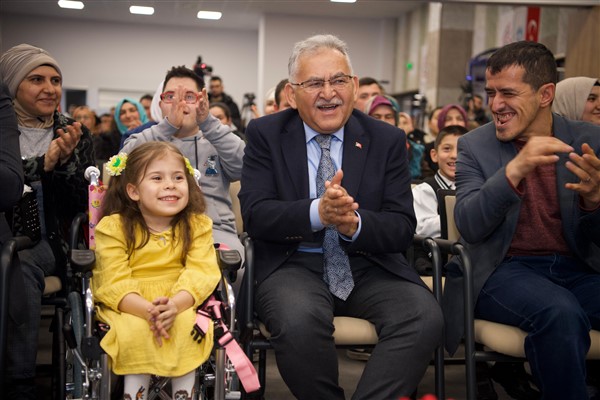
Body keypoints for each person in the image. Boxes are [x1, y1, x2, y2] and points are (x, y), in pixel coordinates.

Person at [239, 33, 443, 399]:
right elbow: (256, 214)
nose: (328, 93)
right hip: (292, 265)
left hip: (368, 265)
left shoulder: (387, 140)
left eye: (338, 81)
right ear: (291, 93)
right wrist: (319, 212)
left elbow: (400, 227)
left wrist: (354, 223)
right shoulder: (265, 134)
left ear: (354, 86)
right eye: (314, 83)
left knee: (424, 317)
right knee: (299, 320)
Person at [443, 40, 600, 400]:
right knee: (560, 313)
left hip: (579, 269)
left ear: (546, 94)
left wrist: (594, 201)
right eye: (491, 92)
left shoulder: (590, 142)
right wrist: (513, 171)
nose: (495, 105)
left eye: (508, 93)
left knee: (565, 305)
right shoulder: (474, 146)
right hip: (502, 271)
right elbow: (469, 224)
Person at [0, 43, 95, 398]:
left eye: (55, 79)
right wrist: (42, 165)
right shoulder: (2, 129)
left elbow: (84, 203)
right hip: (4, 230)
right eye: (36, 79)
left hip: (48, 238)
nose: (50, 88)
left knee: (17, 265)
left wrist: (66, 162)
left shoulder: (73, 131)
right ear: (11, 84)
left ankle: (19, 383)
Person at [92, 142, 221, 399]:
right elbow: (112, 277)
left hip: (182, 300)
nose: (170, 184)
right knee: (134, 329)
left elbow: (201, 271)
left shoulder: (197, 226)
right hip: (129, 303)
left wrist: (174, 305)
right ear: (133, 191)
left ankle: (184, 394)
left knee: (185, 326)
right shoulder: (113, 227)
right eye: (157, 178)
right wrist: (148, 310)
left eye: (178, 177)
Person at [122, 65, 245, 263]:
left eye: (189, 97)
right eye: (170, 96)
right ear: (160, 104)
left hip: (214, 230)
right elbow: (120, 166)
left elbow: (243, 167)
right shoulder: (148, 138)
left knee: (235, 268)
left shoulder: (216, 138)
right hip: (153, 229)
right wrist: (167, 127)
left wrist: (208, 123)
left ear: (202, 101)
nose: (180, 103)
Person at [411, 125, 467, 274]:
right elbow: (423, 228)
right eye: (447, 149)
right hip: (437, 262)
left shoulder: (475, 188)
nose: (455, 155)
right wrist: (465, 214)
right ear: (434, 155)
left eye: (461, 150)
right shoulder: (425, 189)